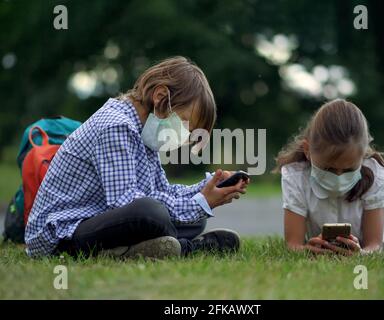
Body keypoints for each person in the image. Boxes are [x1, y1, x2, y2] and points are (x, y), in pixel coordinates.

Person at [25, 56, 249, 259]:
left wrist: (205, 190)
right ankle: (185, 248)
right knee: (150, 213)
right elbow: (126, 201)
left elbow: (161, 190)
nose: (183, 137)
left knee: (193, 219)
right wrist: (200, 203)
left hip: (101, 220)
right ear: (160, 96)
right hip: (61, 236)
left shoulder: (145, 131)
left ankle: (138, 250)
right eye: (183, 123)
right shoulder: (116, 126)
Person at [274, 99, 384, 255]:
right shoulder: (295, 177)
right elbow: (293, 245)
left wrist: (359, 254)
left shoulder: (376, 174)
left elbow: (374, 245)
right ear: (307, 150)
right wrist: (308, 250)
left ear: (363, 156)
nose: (338, 177)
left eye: (349, 170)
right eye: (329, 169)